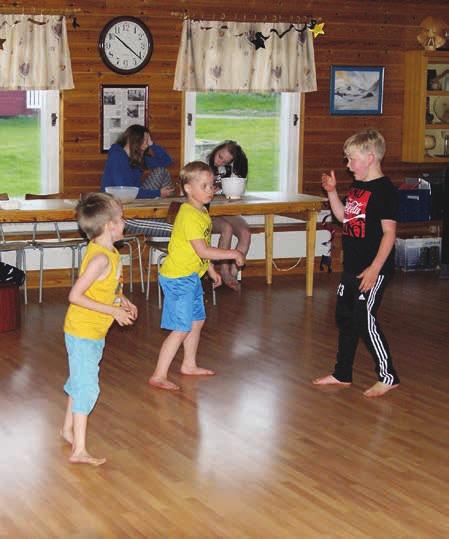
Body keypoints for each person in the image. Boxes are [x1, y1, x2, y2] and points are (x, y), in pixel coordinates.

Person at [313, 129, 400, 398]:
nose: (348, 165)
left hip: (372, 269)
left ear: (371, 157)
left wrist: (374, 269)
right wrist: (332, 192)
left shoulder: (384, 191)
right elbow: (343, 217)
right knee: (346, 318)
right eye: (347, 159)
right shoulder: (358, 187)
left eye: (352, 159)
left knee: (364, 319)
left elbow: (389, 233)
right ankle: (342, 373)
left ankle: (388, 376)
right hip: (352, 267)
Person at [149, 161, 246, 391]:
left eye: (212, 185)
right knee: (182, 327)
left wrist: (210, 269)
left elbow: (201, 250)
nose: (210, 189)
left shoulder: (201, 211)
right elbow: (202, 249)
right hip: (178, 278)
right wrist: (233, 252)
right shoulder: (189, 215)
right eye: (203, 186)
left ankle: (189, 364)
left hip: (191, 276)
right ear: (187, 189)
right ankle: (159, 374)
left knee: (196, 321)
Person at [61, 192, 138, 465]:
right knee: (87, 388)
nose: (125, 223)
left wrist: (122, 300)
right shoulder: (100, 259)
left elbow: (104, 290)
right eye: (121, 218)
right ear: (109, 226)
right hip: (82, 331)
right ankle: (79, 449)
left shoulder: (109, 252)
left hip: (92, 332)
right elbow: (76, 296)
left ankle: (68, 429)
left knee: (79, 381)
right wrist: (114, 311)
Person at [101, 124, 175, 237]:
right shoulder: (117, 156)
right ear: (135, 140)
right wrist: (158, 193)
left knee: (161, 171)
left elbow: (166, 162)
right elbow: (126, 192)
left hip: (132, 203)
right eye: (144, 140)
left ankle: (167, 217)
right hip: (121, 214)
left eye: (147, 141)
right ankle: (167, 220)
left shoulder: (136, 157)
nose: (146, 145)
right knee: (177, 229)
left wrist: (152, 144)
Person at [208, 140, 251, 290]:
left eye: (225, 161)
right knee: (227, 228)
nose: (219, 162)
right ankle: (224, 272)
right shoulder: (203, 165)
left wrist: (233, 172)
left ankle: (233, 274)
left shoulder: (230, 170)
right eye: (219, 156)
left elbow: (235, 194)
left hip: (226, 210)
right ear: (217, 149)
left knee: (245, 232)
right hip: (207, 212)